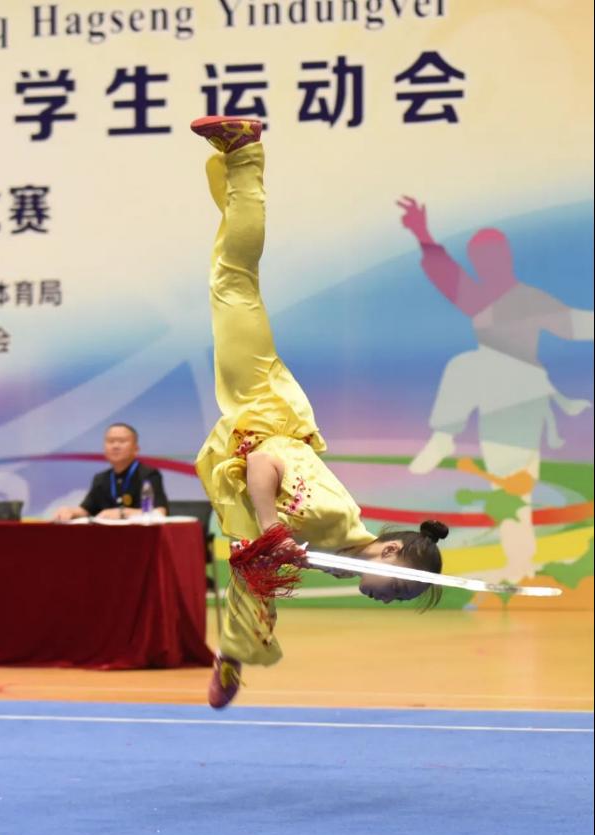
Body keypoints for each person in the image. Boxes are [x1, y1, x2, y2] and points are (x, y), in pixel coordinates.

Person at [191, 116, 449, 709]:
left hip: (254, 430)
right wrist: (272, 528)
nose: (390, 600)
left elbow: (274, 555)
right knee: (234, 282)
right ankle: (245, 154)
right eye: (399, 589)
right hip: (263, 408)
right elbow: (267, 461)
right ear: (390, 552)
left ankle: (235, 653)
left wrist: (273, 544)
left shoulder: (340, 555)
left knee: (256, 574)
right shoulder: (333, 515)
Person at [397, 196, 593, 581]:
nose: (486, 266)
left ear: (505, 259)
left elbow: (575, 324)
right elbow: (447, 277)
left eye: (491, 257)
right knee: (507, 489)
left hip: (523, 397)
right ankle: (519, 562)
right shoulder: (480, 300)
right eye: (479, 260)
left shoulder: (529, 300)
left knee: (465, 368)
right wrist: (423, 235)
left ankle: (444, 436)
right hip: (494, 402)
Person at [54, 422, 168, 521]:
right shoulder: (101, 479)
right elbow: (86, 510)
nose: (115, 446)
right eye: (110, 441)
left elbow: (158, 513)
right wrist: (70, 511)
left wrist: (121, 513)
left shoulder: (148, 474)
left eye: (122, 441)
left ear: (136, 449)